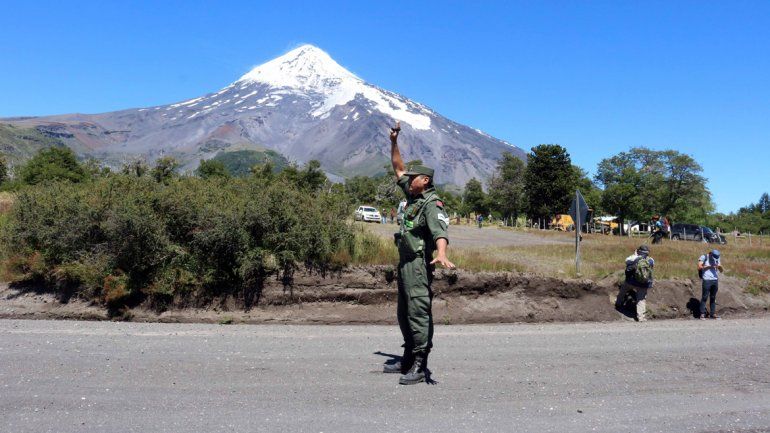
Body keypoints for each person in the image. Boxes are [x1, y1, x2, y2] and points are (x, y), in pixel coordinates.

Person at [384, 121, 455, 385]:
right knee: (403, 313)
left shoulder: (430, 203)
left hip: (417, 265)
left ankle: (420, 363)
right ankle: (406, 357)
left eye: (414, 177)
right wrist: (393, 141)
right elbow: (398, 168)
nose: (408, 178)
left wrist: (442, 253)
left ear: (424, 180)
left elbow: (440, 232)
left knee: (418, 312)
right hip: (404, 265)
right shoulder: (413, 197)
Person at [616, 245, 655, 322]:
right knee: (641, 300)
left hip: (631, 282)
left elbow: (626, 261)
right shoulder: (651, 260)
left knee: (622, 291)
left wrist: (635, 254)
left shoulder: (633, 258)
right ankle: (641, 317)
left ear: (639, 251)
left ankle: (618, 304)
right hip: (644, 283)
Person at [698, 249, 723, 319]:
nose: (716, 259)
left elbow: (721, 271)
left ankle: (713, 314)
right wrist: (709, 266)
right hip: (707, 280)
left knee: (713, 297)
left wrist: (720, 267)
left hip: (715, 280)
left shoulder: (717, 258)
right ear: (711, 254)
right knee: (705, 297)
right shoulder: (704, 257)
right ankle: (702, 314)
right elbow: (699, 267)